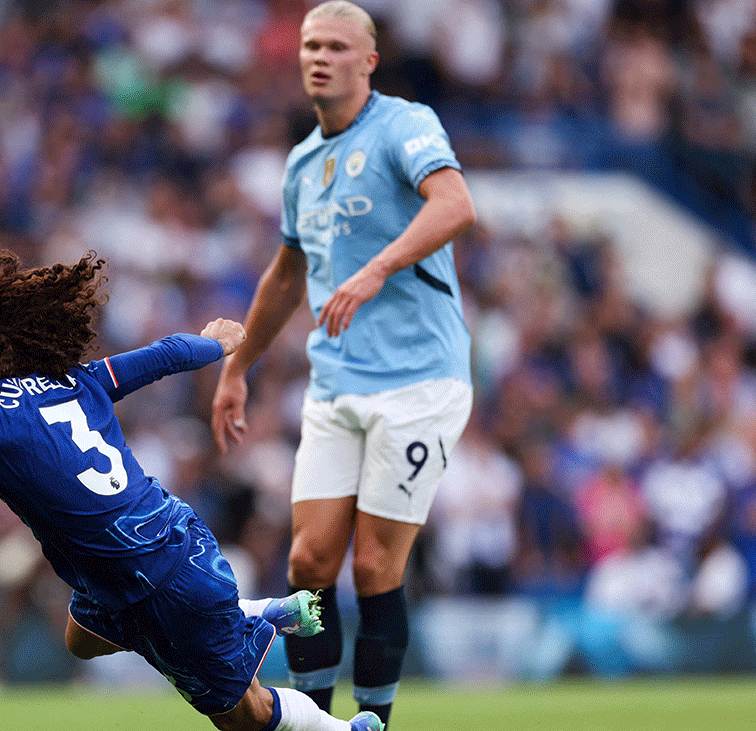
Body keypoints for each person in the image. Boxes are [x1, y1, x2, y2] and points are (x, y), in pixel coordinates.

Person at [0, 251, 383, 731]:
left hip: (148, 572)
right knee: (82, 639)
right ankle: (253, 613)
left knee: (243, 715)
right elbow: (158, 356)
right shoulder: (73, 379)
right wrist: (212, 344)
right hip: (158, 545)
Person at [210, 2, 476, 727]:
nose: (318, 57)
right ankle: (319, 722)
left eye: (335, 46)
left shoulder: (405, 124)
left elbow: (455, 204)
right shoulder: (301, 162)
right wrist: (238, 367)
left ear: (369, 61)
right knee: (307, 563)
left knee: (374, 567)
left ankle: (378, 721)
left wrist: (376, 268)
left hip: (420, 380)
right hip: (336, 384)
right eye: (309, 45)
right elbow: (285, 275)